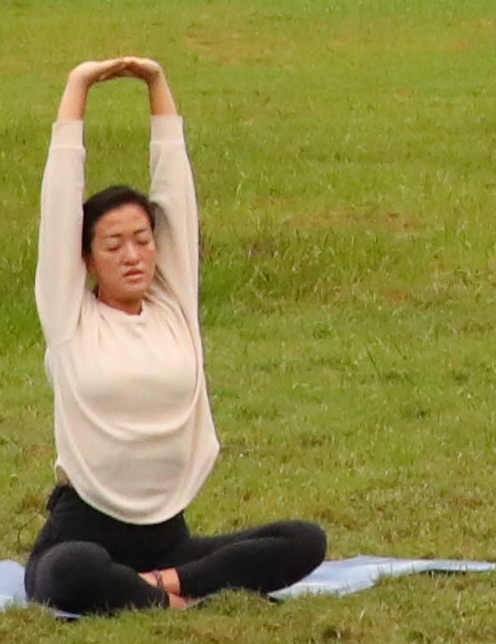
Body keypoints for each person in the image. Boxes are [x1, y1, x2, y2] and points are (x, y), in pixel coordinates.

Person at [25, 53, 330, 615]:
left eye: (142, 239)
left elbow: (175, 192)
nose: (133, 255)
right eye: (113, 245)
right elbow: (61, 200)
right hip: (83, 530)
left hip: (170, 541)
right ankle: (171, 594)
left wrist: (157, 84)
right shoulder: (70, 319)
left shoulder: (174, 306)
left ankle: (156, 585)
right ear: (86, 259)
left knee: (305, 541)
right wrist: (77, 87)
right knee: (72, 572)